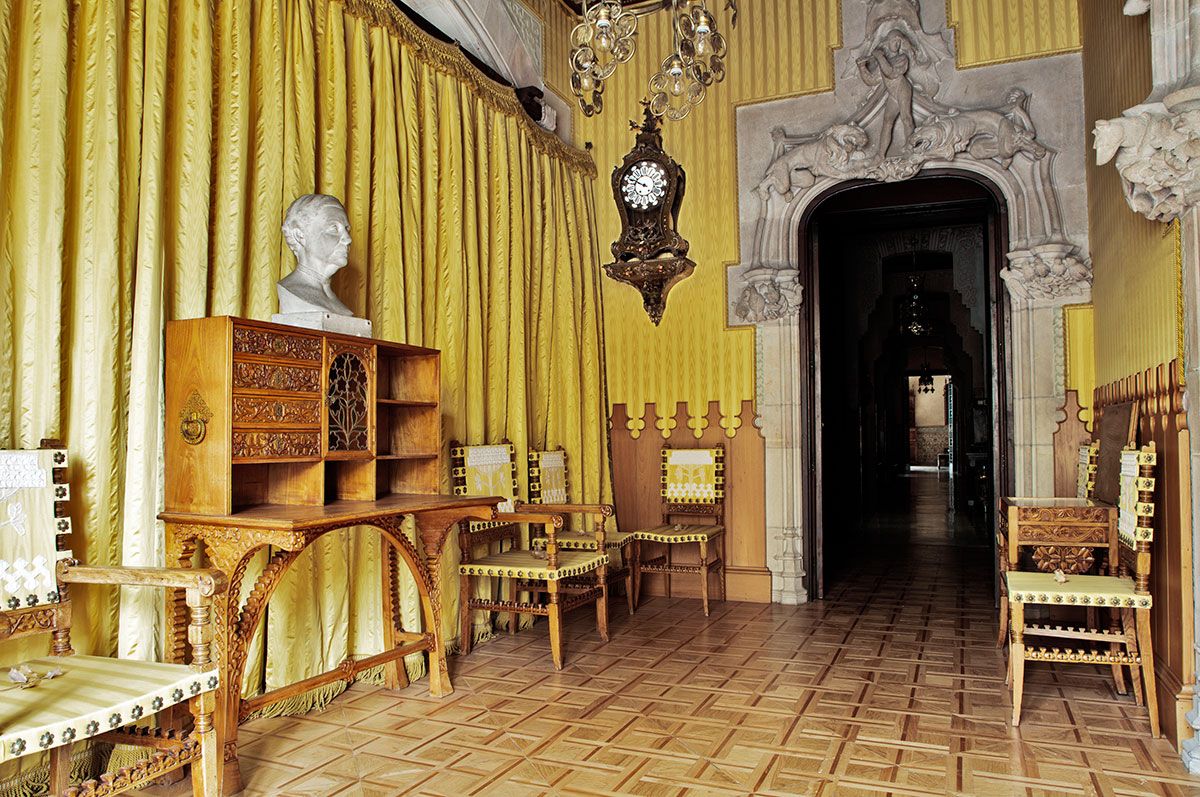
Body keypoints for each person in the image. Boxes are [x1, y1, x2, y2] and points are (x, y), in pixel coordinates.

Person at [278, 194, 355, 316]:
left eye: (347, 229)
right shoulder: (291, 292)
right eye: (334, 229)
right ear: (300, 236)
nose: (348, 239)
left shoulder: (338, 305)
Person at [857, 29, 916, 160]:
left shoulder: (902, 58)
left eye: (899, 41)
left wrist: (880, 57)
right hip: (893, 94)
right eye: (894, 41)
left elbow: (890, 72)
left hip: (903, 89)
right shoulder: (884, 62)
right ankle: (880, 155)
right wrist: (862, 68)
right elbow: (872, 80)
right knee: (887, 121)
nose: (897, 43)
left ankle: (911, 148)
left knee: (906, 118)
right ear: (888, 42)